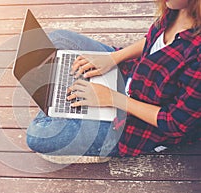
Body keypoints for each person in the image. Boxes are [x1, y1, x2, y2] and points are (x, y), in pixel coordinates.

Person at [26, 0, 201, 164]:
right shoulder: (175, 7)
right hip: (133, 72)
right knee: (58, 39)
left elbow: (175, 123)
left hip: (137, 122)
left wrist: (111, 98)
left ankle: (66, 111)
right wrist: (112, 58)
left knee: (39, 136)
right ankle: (63, 105)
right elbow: (152, 40)